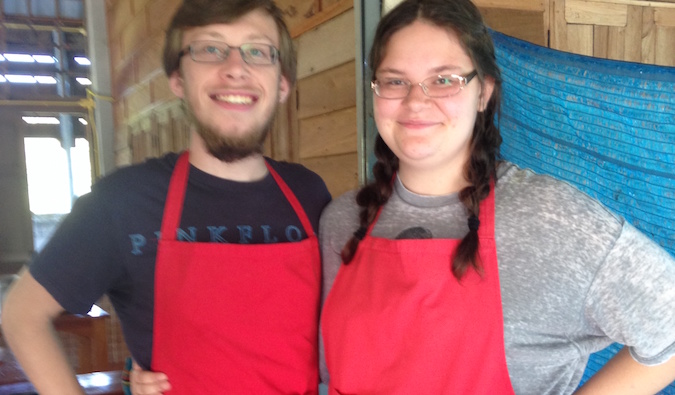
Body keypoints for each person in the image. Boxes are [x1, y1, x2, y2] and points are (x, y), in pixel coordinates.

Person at [317, 0, 675, 394]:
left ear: (483, 92)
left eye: (443, 79)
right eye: (395, 80)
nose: (416, 101)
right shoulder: (341, 223)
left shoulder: (550, 221)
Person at [1, 0, 330, 394]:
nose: (235, 68)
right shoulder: (122, 201)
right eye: (210, 49)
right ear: (178, 78)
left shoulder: (310, 193)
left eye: (258, 51)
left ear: (282, 84)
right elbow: (22, 314)